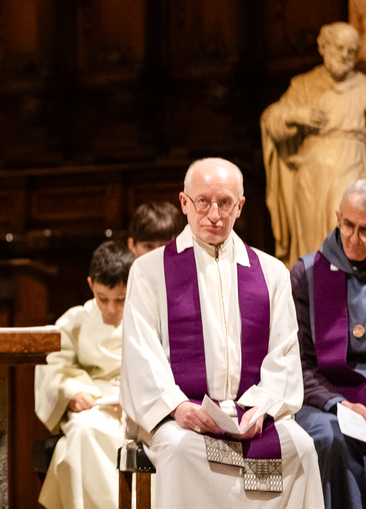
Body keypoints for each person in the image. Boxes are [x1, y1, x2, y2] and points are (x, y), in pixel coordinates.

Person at [120, 157, 323, 509]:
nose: (213, 214)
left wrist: (262, 407)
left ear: (239, 206)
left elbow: (285, 353)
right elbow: (141, 352)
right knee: (182, 452)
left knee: (302, 448)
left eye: (224, 203)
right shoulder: (149, 271)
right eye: (203, 201)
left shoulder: (271, 273)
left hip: (250, 415)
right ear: (184, 203)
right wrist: (176, 406)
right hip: (184, 418)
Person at [35, 240, 135, 509]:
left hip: (136, 404)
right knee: (82, 432)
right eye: (103, 298)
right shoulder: (75, 320)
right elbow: (53, 366)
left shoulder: (146, 315)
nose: (112, 308)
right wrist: (72, 393)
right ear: (91, 285)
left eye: (120, 299)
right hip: (95, 403)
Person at [261, 21, 366, 267]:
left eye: (351, 51)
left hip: (350, 166)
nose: (345, 55)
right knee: (310, 241)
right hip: (310, 173)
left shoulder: (362, 86)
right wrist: (296, 115)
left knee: (342, 229)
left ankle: (343, 288)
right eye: (339, 48)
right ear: (323, 47)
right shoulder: (305, 85)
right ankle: (310, 288)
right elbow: (271, 119)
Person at [291, 179, 366, 509]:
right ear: (338, 217)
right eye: (348, 225)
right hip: (323, 397)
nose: (354, 238)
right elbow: (298, 363)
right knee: (332, 437)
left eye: (365, 230)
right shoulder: (306, 274)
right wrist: (338, 402)